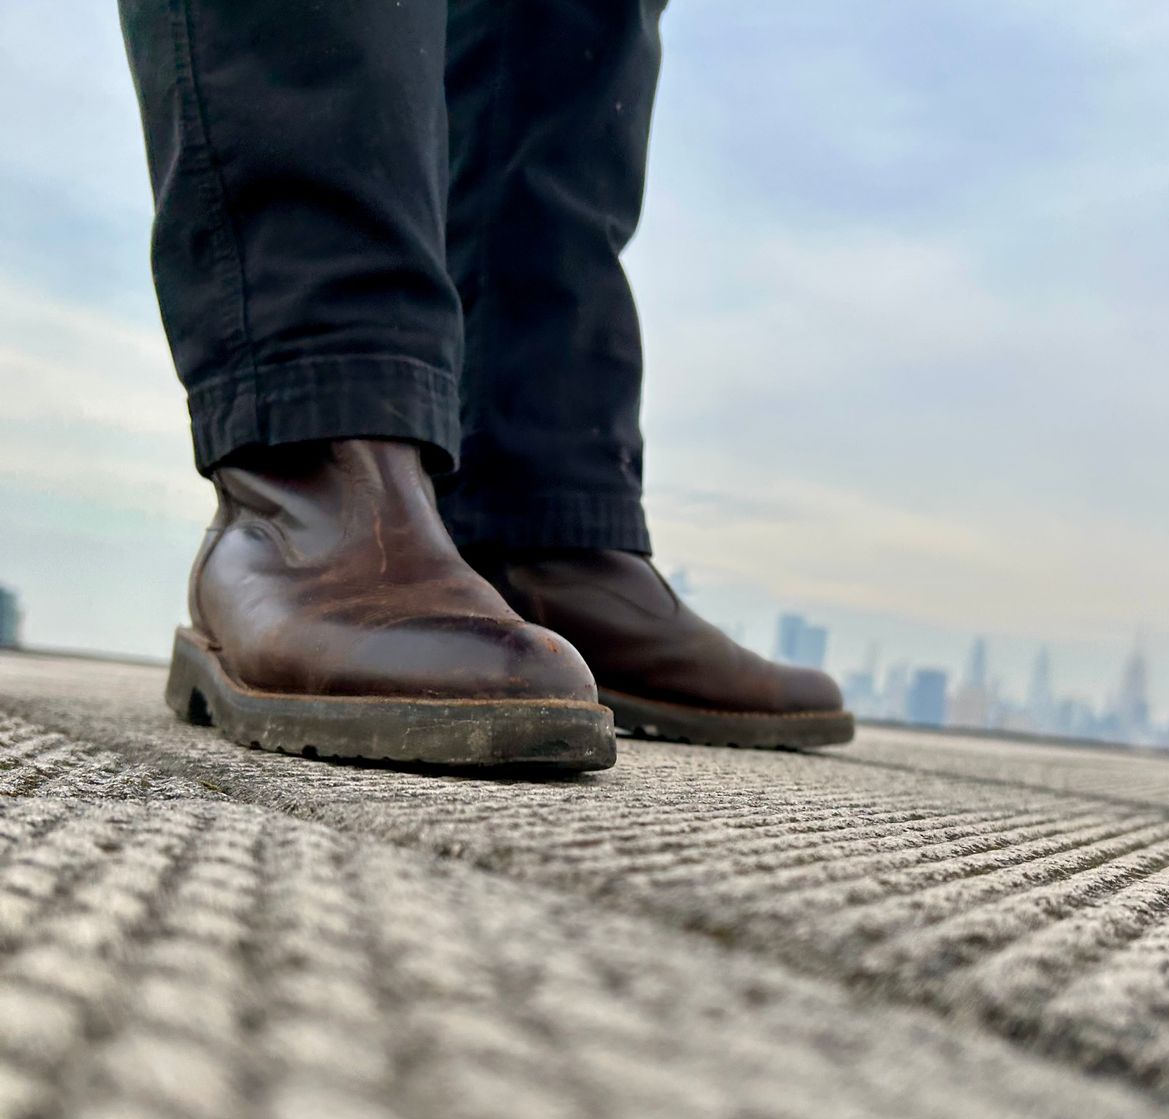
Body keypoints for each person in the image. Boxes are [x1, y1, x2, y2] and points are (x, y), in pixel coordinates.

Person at [119, 0, 852, 772]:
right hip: (306, 388)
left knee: (573, 22)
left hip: (539, 488)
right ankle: (302, 471)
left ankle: (535, 526)